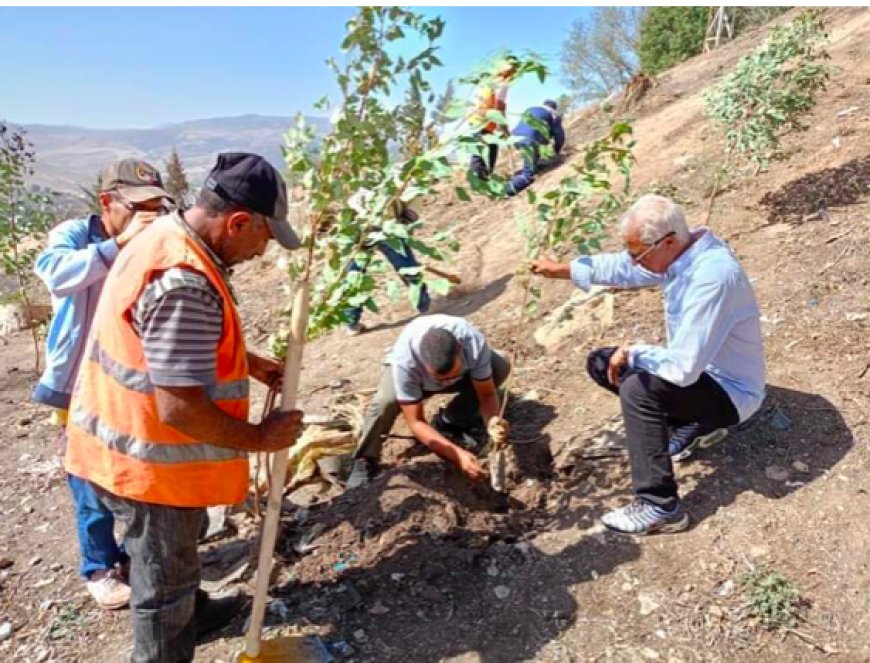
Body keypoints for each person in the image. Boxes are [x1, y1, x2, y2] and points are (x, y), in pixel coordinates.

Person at [64, 152, 304, 662]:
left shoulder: (165, 235)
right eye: (264, 236)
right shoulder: (184, 279)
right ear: (238, 221)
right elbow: (181, 409)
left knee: (173, 560)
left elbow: (171, 351)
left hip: (123, 441)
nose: (263, 251)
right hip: (146, 467)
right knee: (161, 587)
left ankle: (194, 612)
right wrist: (263, 438)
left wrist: (251, 364)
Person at [531, 194, 765, 535]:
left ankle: (660, 507)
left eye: (637, 253)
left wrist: (635, 352)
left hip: (731, 392)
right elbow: (625, 269)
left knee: (637, 387)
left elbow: (684, 368)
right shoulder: (682, 253)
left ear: (667, 241)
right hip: (704, 380)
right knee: (601, 363)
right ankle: (693, 424)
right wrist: (564, 270)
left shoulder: (711, 277)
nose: (633, 261)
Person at [31, 159, 172, 610]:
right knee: (87, 478)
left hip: (125, 381)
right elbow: (55, 273)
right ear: (108, 203)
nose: (146, 217)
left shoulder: (150, 241)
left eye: (154, 207)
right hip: (77, 384)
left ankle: (134, 556)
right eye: (136, 208)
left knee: (129, 471)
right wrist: (119, 246)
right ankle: (99, 567)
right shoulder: (74, 236)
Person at [346, 314, 511, 489]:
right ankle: (365, 459)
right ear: (423, 364)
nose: (446, 382)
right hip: (418, 382)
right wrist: (456, 454)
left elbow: (487, 395)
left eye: (452, 375)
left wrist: (493, 423)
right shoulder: (406, 361)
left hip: (460, 373)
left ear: (460, 349)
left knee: (499, 366)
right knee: (383, 404)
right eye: (441, 378)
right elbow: (415, 422)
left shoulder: (472, 343)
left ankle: (452, 421)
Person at [344, 193, 430, 336]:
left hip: (387, 226)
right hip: (364, 227)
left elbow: (413, 194)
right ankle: (351, 320)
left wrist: (406, 219)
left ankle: (424, 307)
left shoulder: (398, 173)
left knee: (407, 268)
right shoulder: (362, 174)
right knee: (354, 274)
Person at [467, 60, 517, 181]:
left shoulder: (487, 82)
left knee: (486, 147)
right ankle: (480, 178)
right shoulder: (502, 83)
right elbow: (499, 106)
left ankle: (481, 176)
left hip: (476, 118)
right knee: (486, 149)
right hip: (484, 120)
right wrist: (505, 128)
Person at [507, 99, 566, 196]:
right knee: (528, 175)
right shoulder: (553, 115)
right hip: (529, 140)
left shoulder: (531, 109)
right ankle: (507, 190)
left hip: (515, 138)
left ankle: (533, 165)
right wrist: (557, 152)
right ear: (553, 108)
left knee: (534, 156)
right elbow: (559, 136)